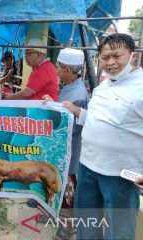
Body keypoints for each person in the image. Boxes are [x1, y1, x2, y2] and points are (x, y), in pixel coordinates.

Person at [62, 33, 143, 239]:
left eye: (117, 56)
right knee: (87, 223)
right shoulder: (103, 86)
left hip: (120, 174)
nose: (111, 63)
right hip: (88, 167)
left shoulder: (140, 87)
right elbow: (98, 119)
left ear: (132, 55)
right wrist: (75, 110)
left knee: (119, 231)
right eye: (105, 58)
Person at [43, 48, 90, 239]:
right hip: (68, 147)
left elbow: (68, 123)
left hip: (72, 149)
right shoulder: (70, 87)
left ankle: (67, 228)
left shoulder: (77, 93)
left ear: (68, 71)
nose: (56, 69)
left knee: (68, 190)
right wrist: (51, 103)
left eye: (58, 66)